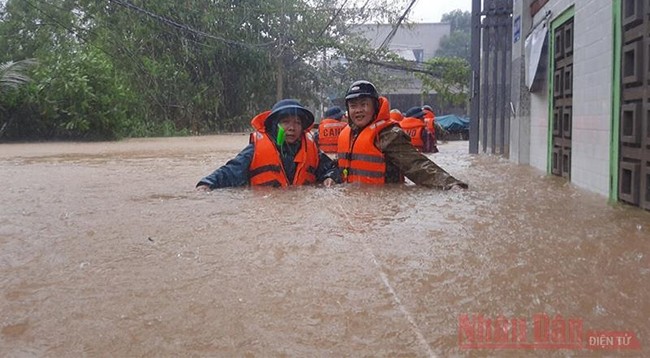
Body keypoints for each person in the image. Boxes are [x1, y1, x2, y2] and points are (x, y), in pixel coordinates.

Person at [337, 80, 467, 190]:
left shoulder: (388, 135)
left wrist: (452, 186)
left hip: (383, 207)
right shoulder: (348, 135)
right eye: (353, 106)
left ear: (375, 107)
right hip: (356, 206)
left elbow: (418, 166)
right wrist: (329, 175)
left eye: (364, 104)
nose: (358, 110)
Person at [196, 99, 341, 189]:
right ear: (274, 125)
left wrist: (330, 178)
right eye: (285, 122)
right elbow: (230, 172)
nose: (292, 127)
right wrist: (207, 184)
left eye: (297, 122)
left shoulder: (312, 149)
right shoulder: (255, 150)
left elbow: (331, 169)